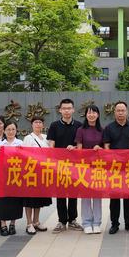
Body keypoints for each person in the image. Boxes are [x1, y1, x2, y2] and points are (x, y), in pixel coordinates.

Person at [47, 99, 83, 233]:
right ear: (60, 110)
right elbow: (51, 144)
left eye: (69, 108)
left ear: (73, 110)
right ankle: (61, 221)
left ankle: (72, 220)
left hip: (74, 166)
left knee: (73, 193)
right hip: (59, 166)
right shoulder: (54, 125)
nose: (67, 111)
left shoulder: (79, 126)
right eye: (64, 108)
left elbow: (81, 145)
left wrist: (74, 147)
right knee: (61, 194)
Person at [103, 101, 129, 234]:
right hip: (115, 168)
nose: (120, 113)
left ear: (127, 112)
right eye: (118, 110)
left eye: (123, 110)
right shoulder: (109, 128)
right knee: (115, 198)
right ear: (114, 112)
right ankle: (114, 224)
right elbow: (106, 147)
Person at [75, 105, 104, 235]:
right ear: (86, 115)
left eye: (94, 112)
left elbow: (106, 149)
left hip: (98, 167)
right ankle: (86, 222)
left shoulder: (102, 130)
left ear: (98, 115)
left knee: (97, 195)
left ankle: (97, 223)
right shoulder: (81, 130)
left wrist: (100, 147)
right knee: (86, 196)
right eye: (89, 113)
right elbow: (79, 149)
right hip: (84, 167)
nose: (91, 115)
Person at [0, 121, 24, 236]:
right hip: (3, 177)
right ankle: (3, 225)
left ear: (16, 131)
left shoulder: (20, 143)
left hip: (16, 176)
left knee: (14, 200)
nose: (10, 132)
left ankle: (12, 224)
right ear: (4, 131)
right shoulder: (1, 144)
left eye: (13, 129)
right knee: (2, 200)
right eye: (8, 130)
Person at [22, 116, 52, 235]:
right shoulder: (28, 138)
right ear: (32, 124)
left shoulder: (46, 138)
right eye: (36, 122)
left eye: (40, 122)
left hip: (43, 172)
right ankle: (29, 223)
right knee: (29, 199)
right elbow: (24, 155)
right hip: (31, 172)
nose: (38, 124)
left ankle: (36, 221)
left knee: (38, 199)